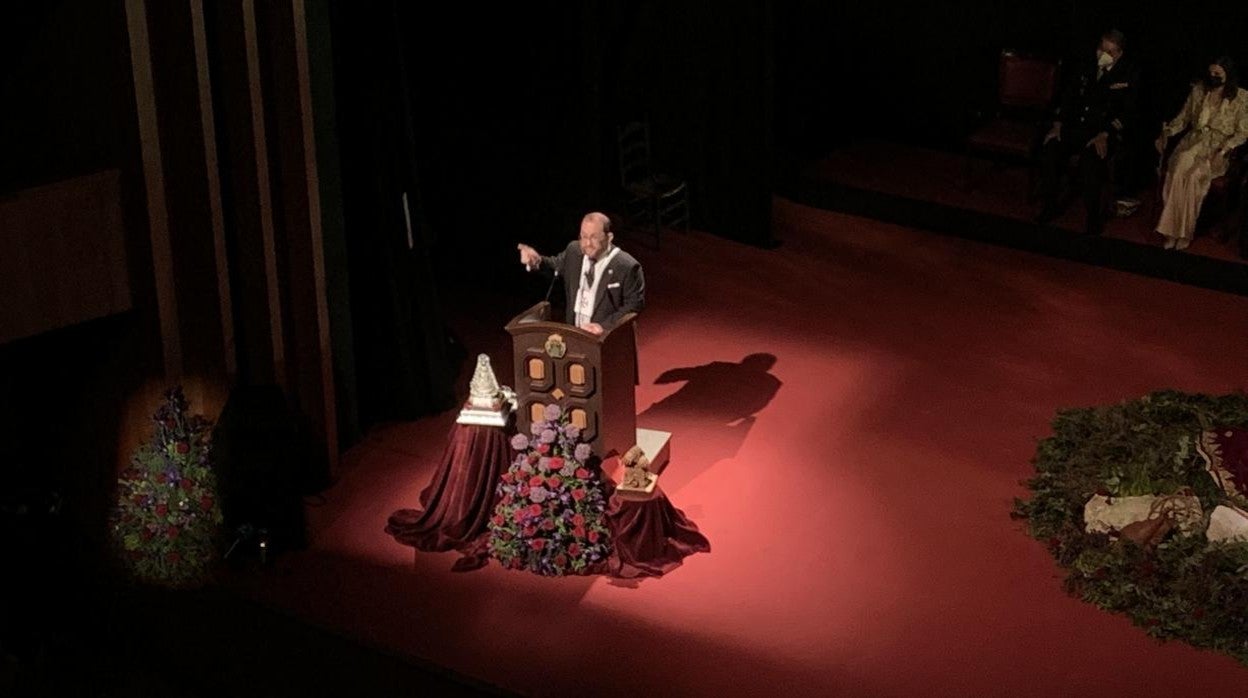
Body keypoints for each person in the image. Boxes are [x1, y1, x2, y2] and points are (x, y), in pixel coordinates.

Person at [1036, 29, 1139, 235]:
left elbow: (1129, 113)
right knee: (1049, 151)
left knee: (1090, 164)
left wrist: (1105, 133)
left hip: (1102, 134)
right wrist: (1058, 124)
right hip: (1075, 128)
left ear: (1118, 54)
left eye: (1110, 51)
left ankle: (1093, 216)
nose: (1103, 53)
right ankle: (1050, 205)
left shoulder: (1129, 74)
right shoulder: (1085, 65)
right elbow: (1068, 97)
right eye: (1102, 48)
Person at [1154, 57, 1248, 250]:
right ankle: (1170, 230)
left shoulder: (1241, 97)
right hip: (1192, 142)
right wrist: (1167, 132)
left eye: (1218, 74)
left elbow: (1242, 132)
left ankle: (1184, 232)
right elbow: (1183, 119)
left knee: (1194, 176)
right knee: (1179, 169)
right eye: (1211, 73)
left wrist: (1224, 150)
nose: (1213, 77)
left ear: (1227, 75)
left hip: (1218, 148)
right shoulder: (1198, 90)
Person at [516, 212, 645, 335]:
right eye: (584, 236)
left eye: (594, 237)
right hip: (574, 336)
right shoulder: (574, 251)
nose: (587, 243)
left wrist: (604, 327)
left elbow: (634, 305)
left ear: (609, 237)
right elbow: (555, 266)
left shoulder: (627, 266)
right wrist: (537, 261)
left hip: (605, 341)